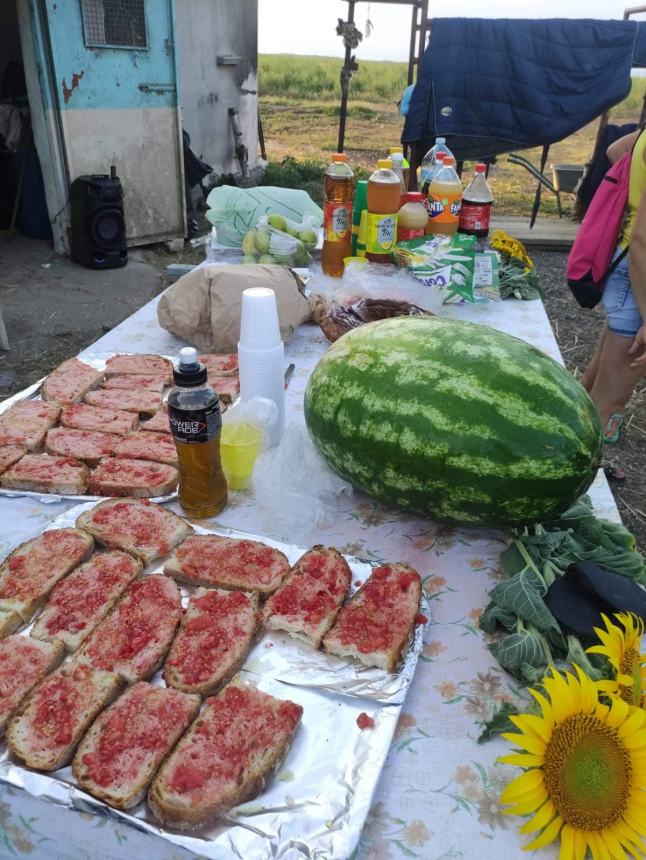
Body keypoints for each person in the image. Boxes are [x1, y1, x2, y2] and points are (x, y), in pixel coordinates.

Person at [581, 128, 646, 443]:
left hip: (628, 269)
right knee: (609, 406)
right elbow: (643, 240)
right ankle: (577, 479)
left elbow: (617, 148)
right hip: (639, 272)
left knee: (595, 384)